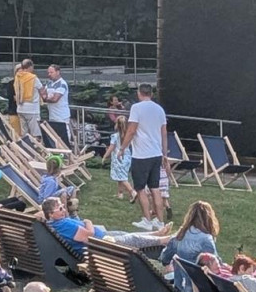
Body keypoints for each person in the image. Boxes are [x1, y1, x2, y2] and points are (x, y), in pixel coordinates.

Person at [42, 196, 171, 257]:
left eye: (63, 207)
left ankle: (156, 234)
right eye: (60, 208)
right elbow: (89, 235)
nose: (64, 210)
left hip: (102, 238)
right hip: (100, 245)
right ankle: (164, 240)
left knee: (123, 234)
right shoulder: (63, 225)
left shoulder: (55, 223)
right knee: (130, 239)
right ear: (51, 214)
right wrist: (88, 222)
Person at [118, 83, 168, 231]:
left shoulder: (136, 108)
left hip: (141, 155)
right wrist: (164, 154)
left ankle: (147, 219)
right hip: (156, 153)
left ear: (139, 93)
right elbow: (164, 132)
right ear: (151, 94)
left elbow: (132, 130)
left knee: (140, 188)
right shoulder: (159, 109)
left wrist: (122, 148)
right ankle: (160, 221)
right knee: (155, 187)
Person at [159, 201, 220, 292]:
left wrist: (169, 264)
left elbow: (164, 258)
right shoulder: (206, 239)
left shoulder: (179, 236)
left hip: (180, 288)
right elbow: (216, 269)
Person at [102, 115, 135, 200]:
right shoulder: (128, 136)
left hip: (118, 157)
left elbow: (111, 148)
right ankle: (120, 193)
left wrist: (105, 156)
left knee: (122, 177)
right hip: (127, 157)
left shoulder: (115, 136)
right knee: (121, 175)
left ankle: (132, 192)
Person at [41, 64, 72, 148]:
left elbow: (55, 99)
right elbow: (43, 92)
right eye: (48, 72)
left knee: (64, 135)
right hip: (52, 114)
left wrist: (46, 98)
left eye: (51, 72)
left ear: (58, 72)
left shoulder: (62, 84)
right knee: (54, 135)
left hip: (62, 115)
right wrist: (47, 97)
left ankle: (66, 150)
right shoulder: (49, 83)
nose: (49, 74)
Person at [14, 59, 42, 139]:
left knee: (24, 134)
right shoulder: (33, 78)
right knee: (35, 134)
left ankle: (24, 149)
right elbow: (41, 89)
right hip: (32, 109)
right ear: (30, 67)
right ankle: (35, 149)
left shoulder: (18, 77)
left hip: (20, 108)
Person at [2, 69, 21, 137]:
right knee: (16, 134)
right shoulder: (11, 84)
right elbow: (12, 97)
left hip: (25, 113)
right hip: (14, 112)